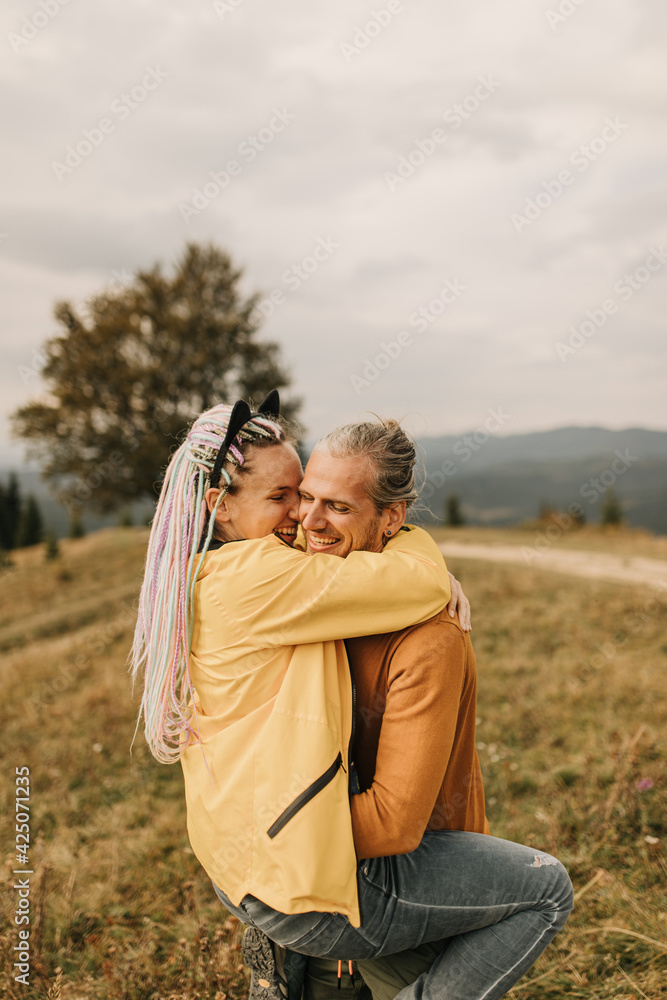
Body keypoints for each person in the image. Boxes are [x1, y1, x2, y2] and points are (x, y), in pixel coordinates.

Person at [131, 393, 573, 1000]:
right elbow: (412, 581)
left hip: (239, 867)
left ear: (388, 515)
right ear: (220, 506)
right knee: (547, 888)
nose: (301, 520)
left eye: (322, 500)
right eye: (287, 497)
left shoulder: (222, 570)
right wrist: (428, 562)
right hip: (294, 873)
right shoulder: (263, 579)